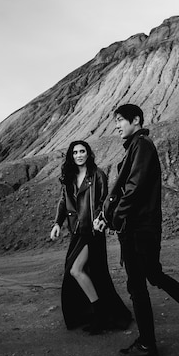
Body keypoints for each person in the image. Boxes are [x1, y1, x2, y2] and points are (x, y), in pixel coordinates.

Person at [94, 104, 179, 356]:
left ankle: (147, 344)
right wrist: (108, 215)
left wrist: (112, 218)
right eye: (115, 121)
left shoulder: (141, 145)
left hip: (138, 230)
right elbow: (128, 189)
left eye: (120, 120)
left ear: (136, 120)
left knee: (137, 287)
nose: (116, 126)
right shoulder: (136, 147)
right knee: (155, 275)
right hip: (142, 228)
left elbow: (133, 189)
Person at [51, 140, 132, 335]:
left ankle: (99, 314)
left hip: (92, 231)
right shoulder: (69, 178)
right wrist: (56, 223)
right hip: (76, 232)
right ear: (71, 156)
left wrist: (101, 219)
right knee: (86, 273)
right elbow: (64, 202)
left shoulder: (98, 175)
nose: (79, 155)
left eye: (82, 151)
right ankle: (97, 312)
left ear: (88, 154)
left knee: (76, 270)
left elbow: (105, 201)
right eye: (75, 152)